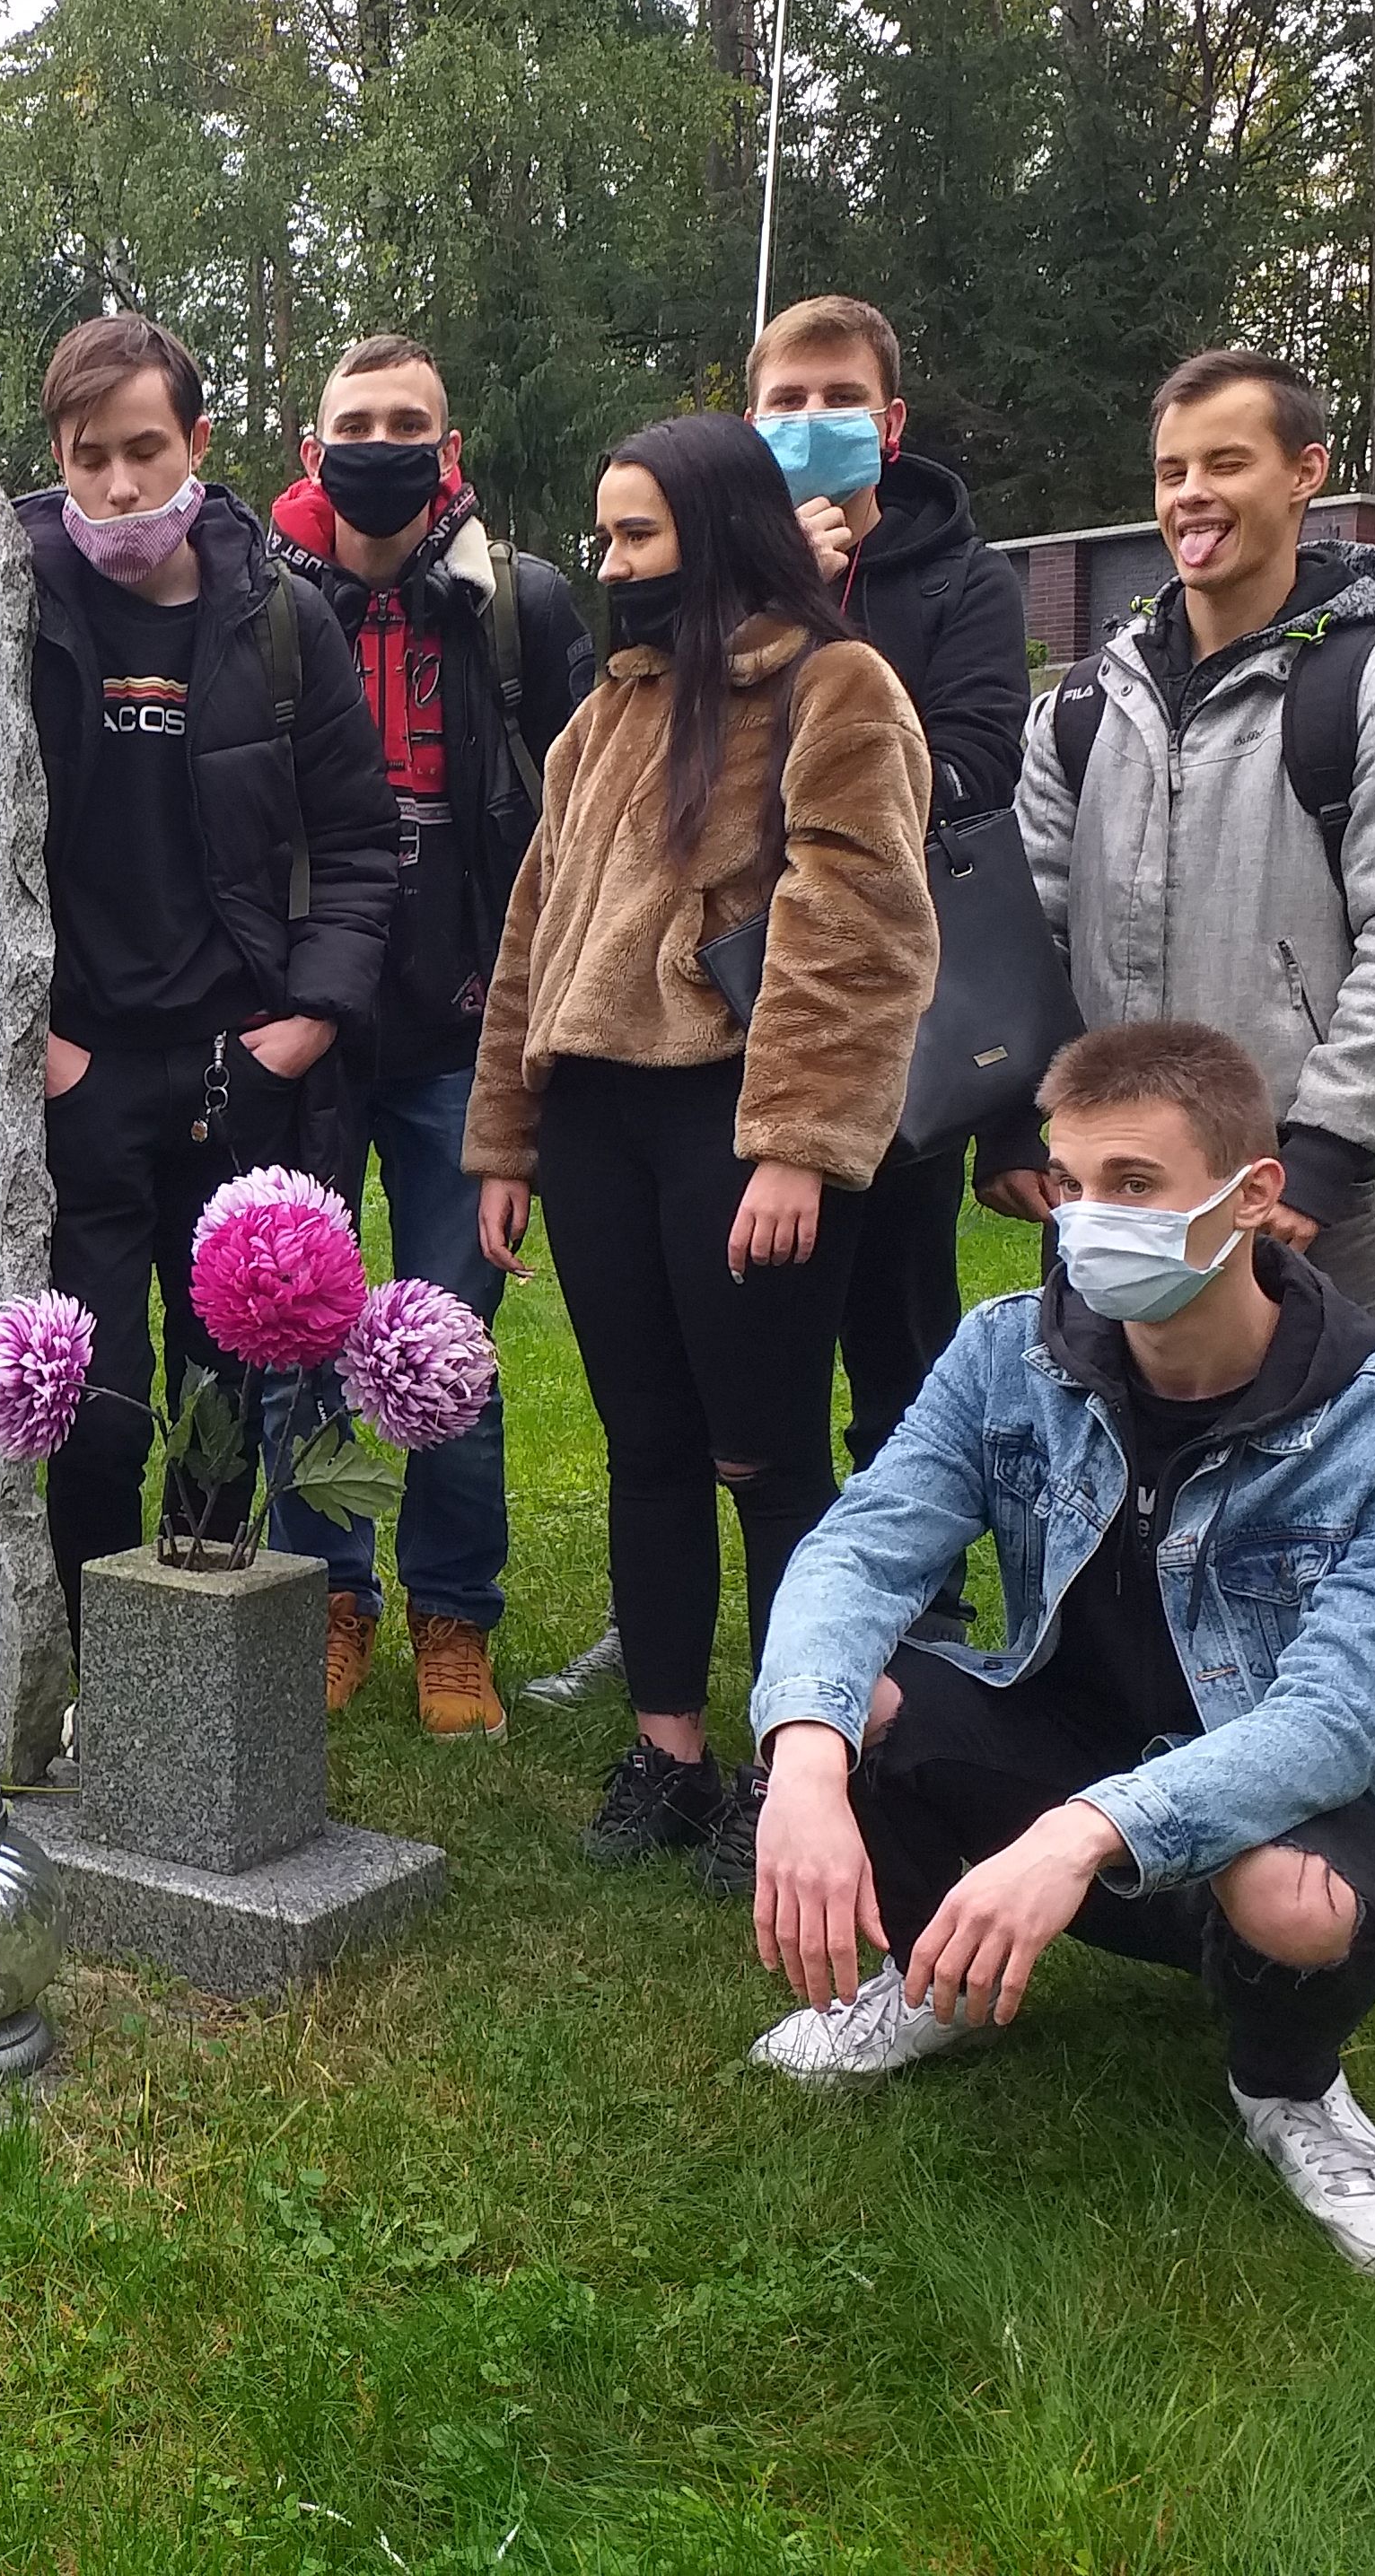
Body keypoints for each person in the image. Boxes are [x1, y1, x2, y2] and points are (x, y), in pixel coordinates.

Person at [744, 1021, 1375, 2283]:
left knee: (1293, 1905)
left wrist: (1081, 1834)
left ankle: (1288, 2085)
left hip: (1263, 1795)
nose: (1088, 1224)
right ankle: (932, 1981)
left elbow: (1337, 1720)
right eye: (1072, 1183)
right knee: (854, 1700)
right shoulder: (1005, 1350)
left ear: (1253, 1195)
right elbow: (862, 1550)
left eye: (1135, 1184)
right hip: (1064, 1730)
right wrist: (800, 1756)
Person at [464, 414, 934, 1888]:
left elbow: (858, 930)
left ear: (721, 530)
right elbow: (533, 932)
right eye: (603, 537)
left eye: (637, 536)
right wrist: (507, 1139)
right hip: (595, 1125)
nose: (611, 566)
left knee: (766, 1454)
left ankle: (794, 1763)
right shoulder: (606, 713)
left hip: (735, 1116)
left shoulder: (832, 687)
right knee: (648, 1445)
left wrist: (795, 1145)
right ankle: (667, 1752)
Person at [21, 312, 397, 1745]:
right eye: (88, 458)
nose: (118, 487)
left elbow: (357, 844)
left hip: (242, 1069)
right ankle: (97, 1681)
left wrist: (306, 1022)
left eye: (144, 450)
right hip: (79, 1070)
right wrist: (34, 1042)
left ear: (197, 443)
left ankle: (192, 1692)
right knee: (96, 1401)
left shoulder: (281, 620)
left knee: (226, 1392)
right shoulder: (8, 601)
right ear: (57, 458)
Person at [987, 349, 1375, 1326]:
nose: (1192, 495)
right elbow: (1027, 934)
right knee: (1087, 1412)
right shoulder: (1080, 704)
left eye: (1227, 463)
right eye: (1172, 472)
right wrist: (1010, 1119)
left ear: (1305, 473)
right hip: (1101, 1180)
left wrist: (1326, 1148)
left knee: (1311, 1418)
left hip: (1285, 1179)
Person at [262, 332, 591, 1733]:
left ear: (448, 451)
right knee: (293, 1330)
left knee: (445, 1340)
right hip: (310, 1030)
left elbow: (581, 820)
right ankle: (328, 1593)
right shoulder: (262, 605)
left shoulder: (522, 607)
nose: (382, 445)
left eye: (409, 424)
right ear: (312, 448)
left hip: (466, 1034)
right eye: (358, 423)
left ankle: (455, 1614)